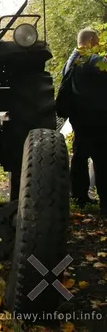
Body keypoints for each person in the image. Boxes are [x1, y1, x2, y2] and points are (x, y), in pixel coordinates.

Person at [63, 27, 107, 214]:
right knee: (102, 157)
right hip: (96, 117)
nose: (97, 46)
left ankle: (79, 196)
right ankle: (105, 202)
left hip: (79, 117)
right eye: (96, 42)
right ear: (89, 41)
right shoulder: (92, 59)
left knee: (80, 155)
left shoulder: (71, 60)